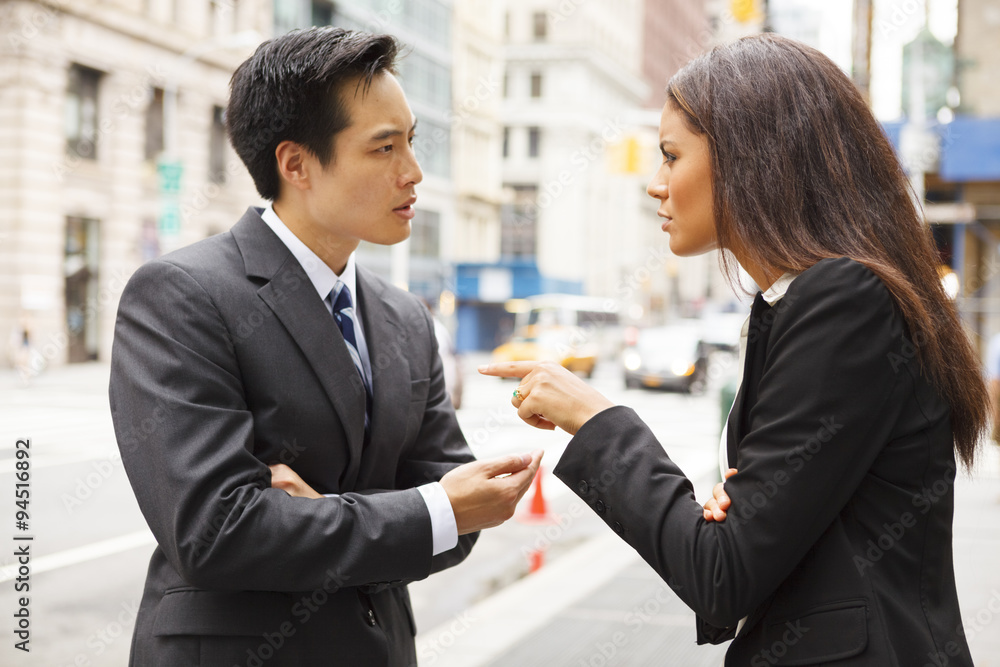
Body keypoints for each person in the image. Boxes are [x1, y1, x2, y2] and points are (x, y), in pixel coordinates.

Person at [481, 33, 987, 665]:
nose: (654, 184)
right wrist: (732, 511)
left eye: (671, 156)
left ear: (752, 158)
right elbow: (751, 550)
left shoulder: (844, 299)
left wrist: (596, 421)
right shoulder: (792, 302)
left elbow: (722, 575)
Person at [109, 28, 541, 667]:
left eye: (411, 142)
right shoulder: (182, 295)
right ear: (296, 165)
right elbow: (216, 533)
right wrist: (423, 512)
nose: (413, 173)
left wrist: (338, 517)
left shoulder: (404, 318)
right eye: (384, 148)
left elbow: (457, 512)